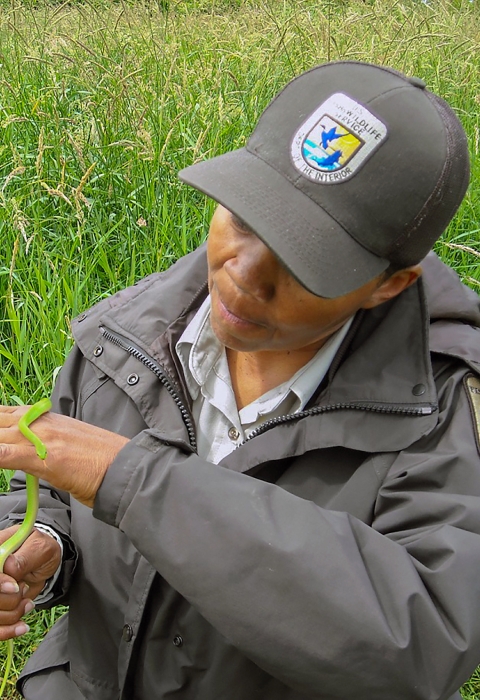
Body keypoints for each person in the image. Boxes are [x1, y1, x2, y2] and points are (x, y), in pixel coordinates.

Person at [0, 60, 479, 700]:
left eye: (306, 259)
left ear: (389, 284)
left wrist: (133, 480)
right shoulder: (130, 333)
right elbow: (49, 493)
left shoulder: (445, 411)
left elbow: (419, 646)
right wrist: (46, 547)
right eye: (246, 217)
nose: (241, 274)